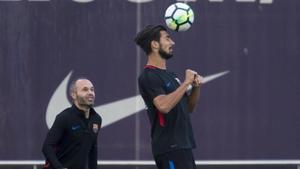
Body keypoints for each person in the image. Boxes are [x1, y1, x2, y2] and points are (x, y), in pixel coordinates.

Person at [135, 25, 203, 169]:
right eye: (167, 38)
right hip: (169, 148)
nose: (172, 43)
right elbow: (163, 106)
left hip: (184, 146)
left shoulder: (172, 76)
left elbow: (188, 108)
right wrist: (186, 83)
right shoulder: (148, 76)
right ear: (154, 44)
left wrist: (196, 87)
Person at [42, 78, 102, 169]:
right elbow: (47, 147)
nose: (90, 92)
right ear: (74, 95)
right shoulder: (64, 117)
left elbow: (93, 149)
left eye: (92, 89)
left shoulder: (96, 119)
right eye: (85, 89)